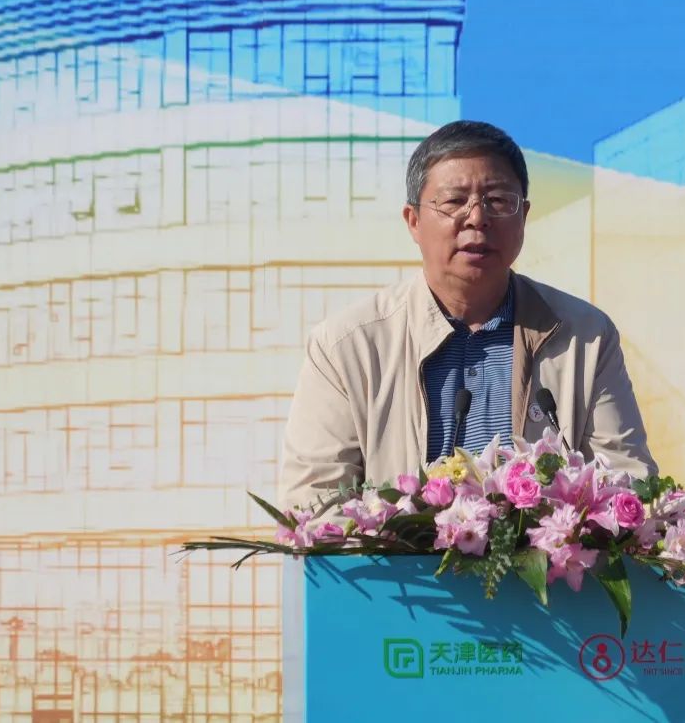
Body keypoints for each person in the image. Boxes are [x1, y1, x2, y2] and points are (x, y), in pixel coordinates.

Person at [279, 120, 656, 513]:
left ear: (524, 216)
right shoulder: (346, 347)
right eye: (454, 201)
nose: (477, 218)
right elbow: (312, 507)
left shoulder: (586, 337)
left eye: (498, 200)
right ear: (413, 221)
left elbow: (629, 487)